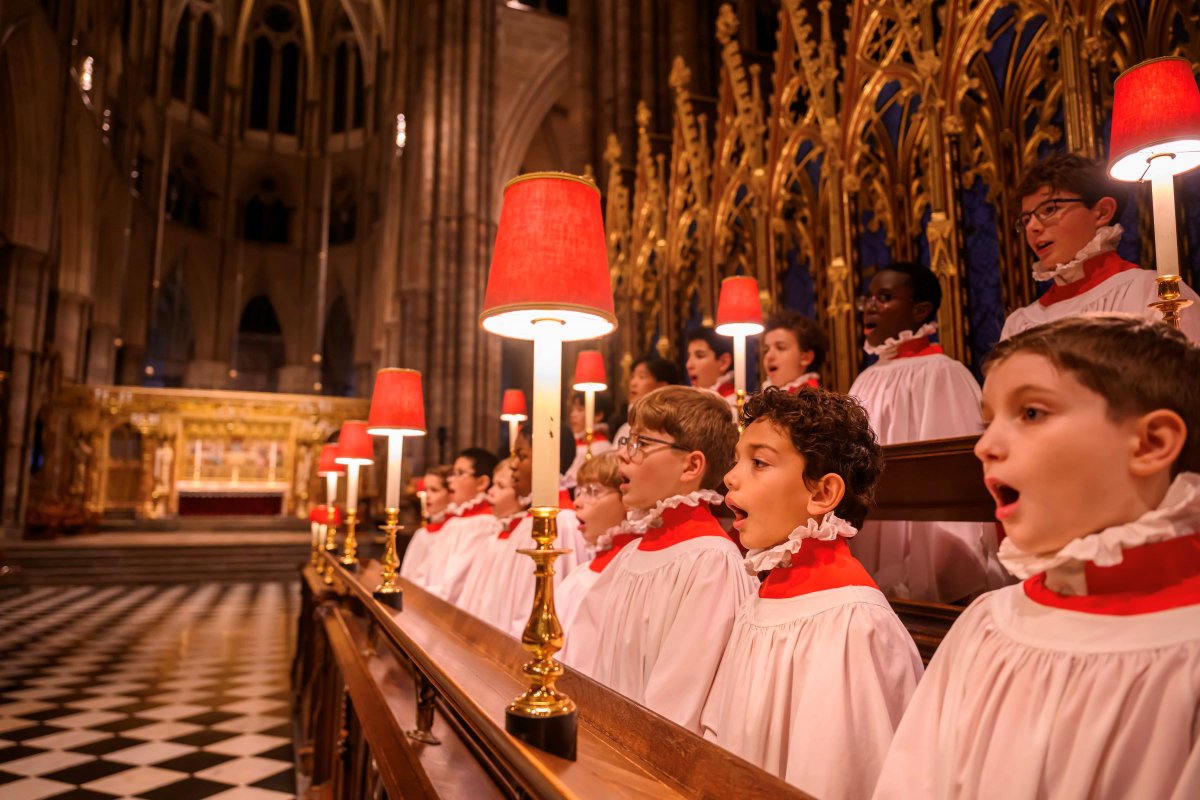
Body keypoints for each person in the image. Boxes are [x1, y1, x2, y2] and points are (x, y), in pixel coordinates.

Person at [873, 315, 1200, 799]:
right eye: (987, 422)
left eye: (1030, 413)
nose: (985, 446)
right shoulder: (988, 624)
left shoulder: (1186, 652)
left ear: (1151, 442)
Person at [701, 388, 922, 797]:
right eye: (737, 459)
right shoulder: (764, 596)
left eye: (759, 462)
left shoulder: (853, 623)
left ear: (821, 494)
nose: (730, 477)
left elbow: (840, 777)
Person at [565, 386, 757, 733]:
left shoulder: (711, 562)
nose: (624, 456)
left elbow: (678, 707)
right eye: (628, 441)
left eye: (643, 444)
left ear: (691, 466)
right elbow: (588, 663)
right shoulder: (629, 555)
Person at [849, 261, 1010, 602]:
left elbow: (953, 471)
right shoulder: (867, 378)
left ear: (921, 310)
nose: (870, 307)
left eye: (885, 297)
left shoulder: (943, 373)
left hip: (924, 527)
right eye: (869, 298)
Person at [1002, 152, 1200, 342]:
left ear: (1102, 212)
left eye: (1049, 209)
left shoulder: (1151, 293)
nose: (1032, 228)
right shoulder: (1020, 324)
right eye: (1026, 220)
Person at [475, 423, 587, 637]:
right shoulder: (526, 522)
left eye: (522, 456)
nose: (513, 465)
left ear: (550, 460)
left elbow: (559, 609)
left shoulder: (563, 523)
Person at [556, 453, 636, 632]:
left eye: (593, 491)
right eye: (579, 491)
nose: (577, 502)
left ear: (627, 498)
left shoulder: (632, 577)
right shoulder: (580, 574)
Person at [456, 461, 531, 627]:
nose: (490, 491)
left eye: (500, 486)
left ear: (523, 496)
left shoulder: (524, 542)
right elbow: (472, 595)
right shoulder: (491, 539)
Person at [422, 447, 498, 604]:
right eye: (452, 473)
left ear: (482, 482)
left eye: (460, 473)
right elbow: (428, 569)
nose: (450, 480)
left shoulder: (485, 524)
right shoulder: (455, 522)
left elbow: (456, 584)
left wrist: (422, 600)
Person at [399, 465, 452, 588]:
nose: (426, 495)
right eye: (426, 490)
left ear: (451, 493)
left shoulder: (454, 532)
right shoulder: (422, 533)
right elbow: (407, 575)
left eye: (434, 490)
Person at [613, 354, 684, 444]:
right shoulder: (624, 428)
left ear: (662, 386)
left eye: (642, 377)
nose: (633, 383)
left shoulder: (669, 428)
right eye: (633, 376)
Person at [761, 310, 827, 391]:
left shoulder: (812, 400)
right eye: (766, 350)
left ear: (806, 358)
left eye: (780, 347)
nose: (769, 356)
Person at [563, 391, 616, 489]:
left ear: (598, 415)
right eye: (572, 410)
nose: (573, 415)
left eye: (580, 410)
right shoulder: (571, 442)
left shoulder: (602, 446)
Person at [686, 327, 736, 409]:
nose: (688, 365)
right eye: (688, 356)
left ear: (724, 362)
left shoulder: (734, 405)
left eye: (699, 356)